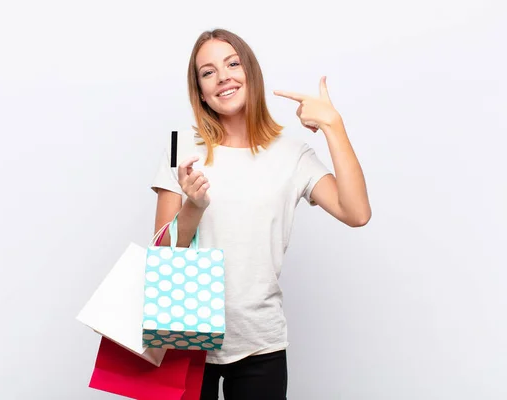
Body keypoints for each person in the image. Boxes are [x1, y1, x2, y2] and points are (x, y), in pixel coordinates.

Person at [150, 28, 371, 399]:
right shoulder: (183, 148)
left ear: (250, 71)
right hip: (183, 339)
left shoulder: (291, 154)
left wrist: (334, 126)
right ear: (200, 90)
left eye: (232, 64)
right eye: (208, 72)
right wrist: (194, 206)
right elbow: (161, 253)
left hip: (260, 343)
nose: (223, 77)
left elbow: (357, 212)